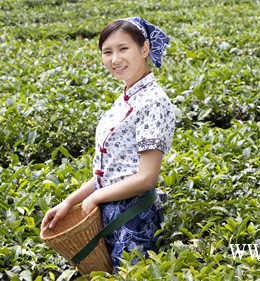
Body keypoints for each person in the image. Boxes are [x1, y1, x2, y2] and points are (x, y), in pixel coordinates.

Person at [40, 17, 175, 274]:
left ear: (144, 49)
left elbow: (146, 178)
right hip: (109, 213)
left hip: (133, 221)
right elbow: (112, 171)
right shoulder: (126, 98)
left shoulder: (153, 101)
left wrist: (96, 197)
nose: (115, 59)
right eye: (107, 52)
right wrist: (70, 202)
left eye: (123, 49)